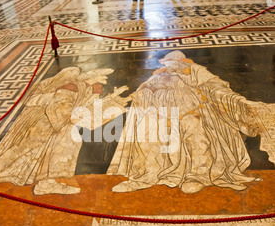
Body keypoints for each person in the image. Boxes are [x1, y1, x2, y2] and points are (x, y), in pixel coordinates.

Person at [107, 50, 275, 194]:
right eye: (169, 64)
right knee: (149, 131)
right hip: (163, 115)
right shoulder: (158, 77)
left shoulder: (197, 75)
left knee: (196, 128)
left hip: (191, 115)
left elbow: (218, 90)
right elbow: (142, 94)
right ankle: (146, 176)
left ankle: (196, 175)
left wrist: (235, 102)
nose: (172, 68)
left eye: (177, 64)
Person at [0, 67, 130, 197]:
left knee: (51, 152)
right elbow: (61, 109)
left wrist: (110, 99)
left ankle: (46, 184)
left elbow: (80, 106)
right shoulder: (71, 86)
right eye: (102, 78)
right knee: (20, 152)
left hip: (56, 124)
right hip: (41, 122)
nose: (103, 83)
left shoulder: (81, 88)